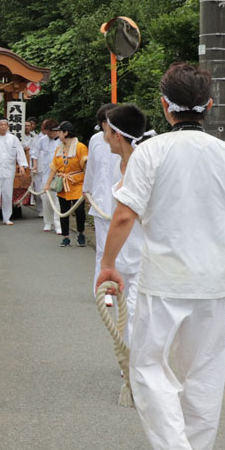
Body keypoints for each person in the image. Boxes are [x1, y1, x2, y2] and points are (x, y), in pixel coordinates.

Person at [97, 62, 225, 450]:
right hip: (210, 282)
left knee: (148, 366)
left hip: (163, 281)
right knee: (203, 371)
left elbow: (124, 216)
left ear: (164, 105)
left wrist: (108, 265)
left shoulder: (151, 152)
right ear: (209, 105)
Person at [98, 103, 151, 344]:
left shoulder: (146, 164)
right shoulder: (118, 163)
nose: (105, 137)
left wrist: (106, 263)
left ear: (117, 135)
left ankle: (135, 361)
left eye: (107, 132)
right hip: (124, 253)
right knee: (125, 311)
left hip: (145, 254)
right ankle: (129, 359)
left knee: (136, 313)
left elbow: (123, 217)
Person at [82, 103, 117, 291]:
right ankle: (102, 289)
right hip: (100, 201)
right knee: (103, 249)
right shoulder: (95, 140)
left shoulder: (126, 139)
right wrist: (87, 190)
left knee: (124, 250)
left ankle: (121, 288)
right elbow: (91, 168)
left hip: (121, 203)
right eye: (106, 121)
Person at [45, 121, 88, 247]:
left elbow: (86, 166)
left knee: (79, 211)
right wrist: (48, 184)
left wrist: (88, 185)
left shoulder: (80, 147)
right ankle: (65, 237)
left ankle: (80, 233)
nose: (57, 134)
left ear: (66, 133)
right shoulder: (59, 148)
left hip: (77, 183)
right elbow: (54, 167)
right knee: (63, 210)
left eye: (59, 131)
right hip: (62, 183)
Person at [0, 117, 28, 226]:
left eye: (5, 125)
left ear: (8, 126)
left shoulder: (13, 139)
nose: (3, 127)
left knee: (7, 194)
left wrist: (22, 166)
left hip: (9, 169)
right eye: (1, 125)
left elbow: (20, 152)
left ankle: (7, 218)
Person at [32, 119, 60, 233]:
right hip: (46, 173)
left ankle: (58, 225)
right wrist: (35, 165)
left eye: (50, 132)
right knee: (46, 199)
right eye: (47, 133)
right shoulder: (43, 140)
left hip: (59, 174)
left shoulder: (62, 140)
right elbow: (35, 153)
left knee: (57, 200)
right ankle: (48, 222)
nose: (49, 135)